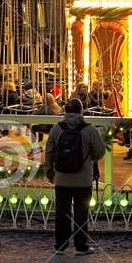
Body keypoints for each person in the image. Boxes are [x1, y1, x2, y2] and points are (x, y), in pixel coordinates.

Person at [44, 97, 106, 255]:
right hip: (83, 179)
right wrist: (89, 159)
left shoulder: (57, 129)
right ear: (81, 111)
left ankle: (60, 244)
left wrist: (49, 171)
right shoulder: (90, 129)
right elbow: (100, 151)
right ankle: (81, 245)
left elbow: (49, 151)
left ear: (65, 111)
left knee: (62, 212)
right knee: (81, 212)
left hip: (62, 177)